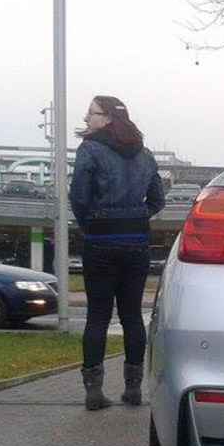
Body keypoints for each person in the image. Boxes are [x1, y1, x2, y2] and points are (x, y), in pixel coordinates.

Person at [68, 95, 165, 410]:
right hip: (137, 242)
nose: (86, 119)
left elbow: (79, 197)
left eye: (91, 113)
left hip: (101, 242)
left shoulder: (90, 149)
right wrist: (135, 216)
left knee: (97, 315)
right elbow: (157, 200)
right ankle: (133, 390)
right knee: (132, 315)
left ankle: (93, 392)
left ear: (108, 117)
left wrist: (92, 223)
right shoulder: (145, 153)